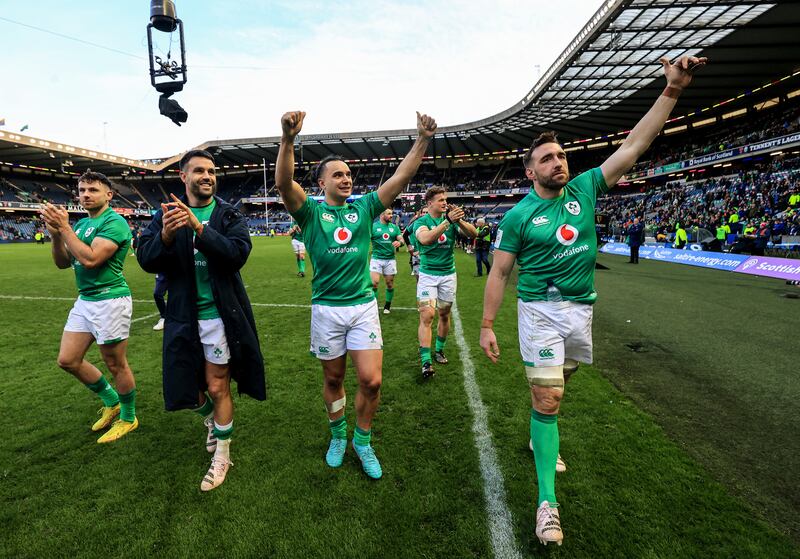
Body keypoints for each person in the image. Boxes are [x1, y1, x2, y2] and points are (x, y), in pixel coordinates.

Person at [479, 55, 706, 546]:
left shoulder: (585, 187)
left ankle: (545, 429)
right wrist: (487, 323)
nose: (558, 162)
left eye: (561, 156)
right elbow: (499, 270)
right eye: (547, 159)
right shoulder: (518, 216)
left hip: (580, 311)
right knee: (548, 394)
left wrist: (672, 91)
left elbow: (635, 144)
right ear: (529, 171)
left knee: (558, 387)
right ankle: (547, 503)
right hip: (539, 310)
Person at [275, 110, 437, 480]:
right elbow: (284, 184)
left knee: (372, 380)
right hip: (327, 310)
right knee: (333, 380)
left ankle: (362, 441)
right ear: (321, 183)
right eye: (338, 174)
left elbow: (401, 177)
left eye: (349, 174)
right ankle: (337, 436)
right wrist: (287, 139)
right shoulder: (311, 213)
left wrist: (422, 139)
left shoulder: (365, 208)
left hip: (362, 307)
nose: (346, 179)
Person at [137, 149, 266, 491]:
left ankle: (222, 456)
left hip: (221, 318)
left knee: (216, 385)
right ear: (183, 176)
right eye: (199, 171)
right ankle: (211, 419)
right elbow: (145, 260)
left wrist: (198, 228)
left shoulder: (227, 214)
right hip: (182, 317)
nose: (207, 176)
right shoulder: (164, 214)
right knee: (187, 389)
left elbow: (237, 254)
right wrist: (165, 236)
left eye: (211, 171)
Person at [40, 170, 138, 444]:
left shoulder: (115, 222)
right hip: (86, 300)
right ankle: (112, 401)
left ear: (109, 194)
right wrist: (57, 236)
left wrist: (66, 229)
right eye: (81, 190)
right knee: (68, 360)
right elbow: (62, 263)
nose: (85, 195)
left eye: (92, 190)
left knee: (115, 363)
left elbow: (92, 259)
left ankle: (129, 417)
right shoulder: (81, 225)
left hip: (110, 300)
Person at [414, 188, 477, 379]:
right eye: (440, 200)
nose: (444, 202)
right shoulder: (422, 222)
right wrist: (447, 221)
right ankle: (426, 361)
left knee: (444, 314)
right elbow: (425, 239)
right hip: (427, 276)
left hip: (448, 276)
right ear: (429, 203)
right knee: (427, 315)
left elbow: (473, 234)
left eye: (445, 199)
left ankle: (439, 349)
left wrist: (459, 221)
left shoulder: (451, 221)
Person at [370, 208, 404, 314]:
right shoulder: (373, 226)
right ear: (382, 214)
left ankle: (387, 305)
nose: (391, 216)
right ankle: (373, 306)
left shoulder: (394, 228)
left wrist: (400, 243)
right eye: (389, 214)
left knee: (389, 284)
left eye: (392, 214)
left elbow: (401, 239)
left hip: (390, 260)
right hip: (376, 258)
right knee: (374, 283)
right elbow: (365, 238)